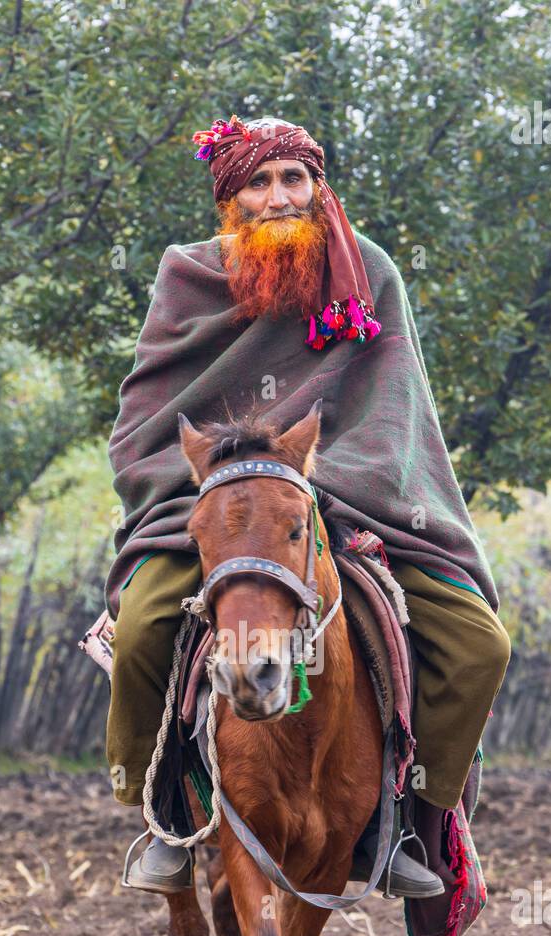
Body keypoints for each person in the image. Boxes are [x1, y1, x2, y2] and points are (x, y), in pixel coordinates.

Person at [104, 114, 510, 894]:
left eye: (294, 179)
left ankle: (403, 828)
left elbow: (395, 414)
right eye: (259, 183)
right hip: (218, 509)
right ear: (232, 201)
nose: (279, 196)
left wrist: (310, 488)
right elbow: (148, 416)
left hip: (344, 507)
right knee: (144, 631)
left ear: (318, 189)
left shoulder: (371, 273)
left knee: (478, 646)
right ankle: (159, 816)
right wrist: (231, 488)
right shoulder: (186, 277)